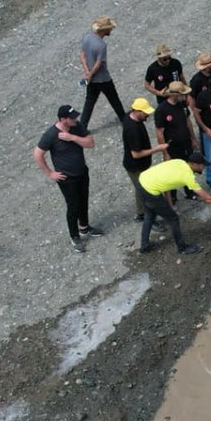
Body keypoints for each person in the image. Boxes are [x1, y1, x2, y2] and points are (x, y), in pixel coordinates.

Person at [137, 153, 211, 256]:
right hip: (151, 191)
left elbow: (166, 179)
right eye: (202, 165)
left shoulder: (180, 162)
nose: (203, 167)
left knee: (150, 215)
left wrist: (168, 203)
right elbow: (208, 198)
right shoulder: (187, 176)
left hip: (142, 182)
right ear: (194, 164)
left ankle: (144, 247)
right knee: (173, 218)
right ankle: (182, 248)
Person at [33, 104, 101, 253]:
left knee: (84, 200)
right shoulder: (51, 134)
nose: (75, 119)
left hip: (82, 172)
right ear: (63, 119)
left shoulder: (76, 127)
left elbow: (90, 143)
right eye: (72, 118)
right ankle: (74, 236)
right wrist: (50, 173)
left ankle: (84, 227)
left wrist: (72, 137)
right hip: (67, 178)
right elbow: (38, 154)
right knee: (73, 206)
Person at [120, 97, 168, 226]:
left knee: (140, 189)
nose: (147, 115)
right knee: (147, 192)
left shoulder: (131, 118)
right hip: (136, 166)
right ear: (136, 111)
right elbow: (136, 154)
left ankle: (141, 213)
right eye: (145, 112)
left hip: (140, 165)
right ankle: (150, 219)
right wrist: (157, 149)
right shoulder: (132, 129)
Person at [78, 16, 127, 131]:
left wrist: (87, 72)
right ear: (103, 30)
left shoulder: (87, 38)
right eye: (109, 28)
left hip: (92, 80)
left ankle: (83, 127)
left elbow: (82, 55)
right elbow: (98, 64)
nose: (111, 30)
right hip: (103, 78)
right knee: (114, 98)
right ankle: (123, 118)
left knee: (89, 102)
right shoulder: (101, 45)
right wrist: (91, 74)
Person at [154, 82, 199, 201]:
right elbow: (159, 131)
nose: (185, 96)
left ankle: (189, 191)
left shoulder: (182, 105)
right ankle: (172, 196)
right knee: (172, 172)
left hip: (186, 143)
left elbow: (187, 121)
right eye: (182, 94)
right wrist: (165, 152)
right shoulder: (161, 110)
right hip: (173, 147)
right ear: (174, 94)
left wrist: (193, 138)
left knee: (188, 168)